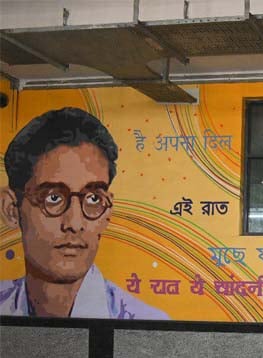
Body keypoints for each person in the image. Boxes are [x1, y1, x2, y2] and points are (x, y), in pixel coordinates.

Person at [0, 107, 168, 319]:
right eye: (53, 198)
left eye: (93, 199)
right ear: (11, 209)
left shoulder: (145, 324)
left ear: (107, 213)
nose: (75, 223)